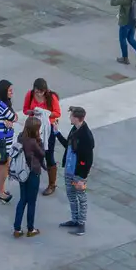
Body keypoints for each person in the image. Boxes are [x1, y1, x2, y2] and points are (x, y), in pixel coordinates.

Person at [23, 78, 62, 195]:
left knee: (49, 155)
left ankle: (52, 184)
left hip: (47, 128)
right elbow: (25, 110)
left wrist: (46, 113)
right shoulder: (30, 95)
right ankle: (29, 179)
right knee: (31, 153)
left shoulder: (51, 97)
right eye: (37, 91)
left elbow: (57, 113)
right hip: (33, 127)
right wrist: (33, 112)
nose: (39, 94)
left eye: (41, 92)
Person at [60, 106, 95, 234]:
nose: (69, 118)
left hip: (78, 174)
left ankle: (81, 224)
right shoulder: (74, 129)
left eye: (71, 116)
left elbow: (88, 159)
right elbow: (67, 145)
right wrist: (57, 133)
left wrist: (82, 177)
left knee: (81, 196)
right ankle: (75, 219)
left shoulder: (86, 136)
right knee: (71, 195)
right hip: (69, 170)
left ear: (76, 118)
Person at [9, 121, 44, 238]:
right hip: (33, 172)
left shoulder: (20, 137)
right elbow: (42, 154)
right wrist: (40, 141)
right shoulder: (33, 142)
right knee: (32, 201)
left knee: (22, 199)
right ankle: (31, 228)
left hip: (22, 172)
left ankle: (17, 229)